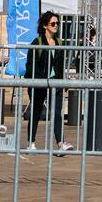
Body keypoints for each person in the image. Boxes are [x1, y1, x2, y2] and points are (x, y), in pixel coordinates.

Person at [25, 11, 72, 153]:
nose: (56, 26)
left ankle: (60, 143)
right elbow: (31, 64)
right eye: (53, 23)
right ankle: (31, 142)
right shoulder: (37, 42)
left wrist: (63, 81)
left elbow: (60, 65)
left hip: (55, 82)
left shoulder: (58, 42)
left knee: (57, 113)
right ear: (45, 26)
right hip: (40, 82)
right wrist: (38, 81)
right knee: (36, 111)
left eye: (57, 23)